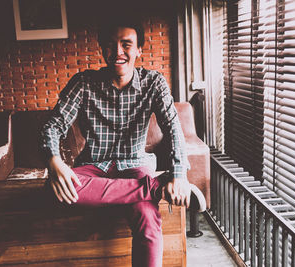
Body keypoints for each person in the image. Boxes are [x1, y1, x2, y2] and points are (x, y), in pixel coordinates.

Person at [41, 17, 205, 267]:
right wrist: (54, 160)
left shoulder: (154, 83)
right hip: (93, 166)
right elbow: (53, 125)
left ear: (139, 49)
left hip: (135, 165)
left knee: (148, 217)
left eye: (126, 44)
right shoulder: (84, 83)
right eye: (110, 45)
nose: (117, 51)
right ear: (102, 49)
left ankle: (149, 188)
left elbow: (173, 129)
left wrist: (180, 174)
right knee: (54, 190)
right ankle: (155, 188)